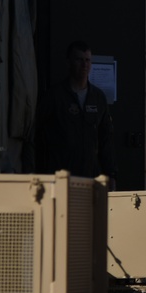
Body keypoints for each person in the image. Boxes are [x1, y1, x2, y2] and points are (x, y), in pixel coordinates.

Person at [44, 40, 117, 188]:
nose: (84, 65)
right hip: (62, 178)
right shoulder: (55, 96)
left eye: (87, 60)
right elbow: (42, 138)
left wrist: (111, 174)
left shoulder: (98, 98)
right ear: (68, 62)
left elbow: (105, 140)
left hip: (91, 177)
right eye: (79, 59)